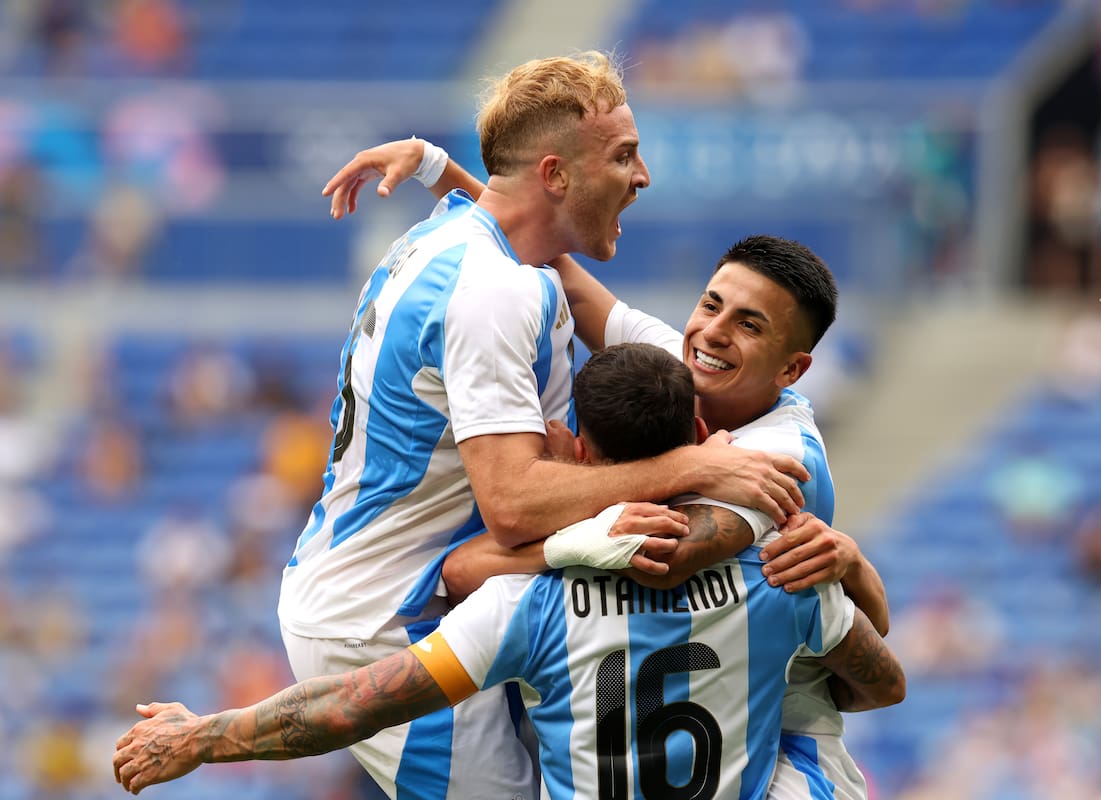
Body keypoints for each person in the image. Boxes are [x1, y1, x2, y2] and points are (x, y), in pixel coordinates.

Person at [280, 51, 816, 800]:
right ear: (557, 175)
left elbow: (523, 227)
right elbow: (513, 504)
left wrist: (438, 168)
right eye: (623, 155)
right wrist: (693, 467)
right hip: (390, 618)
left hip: (412, 591)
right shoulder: (496, 292)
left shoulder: (456, 241)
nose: (642, 176)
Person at [114, 343, 905, 799]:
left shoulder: (527, 604)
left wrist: (205, 737)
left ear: (579, 452)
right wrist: (849, 574)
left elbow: (350, 706)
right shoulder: (778, 578)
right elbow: (882, 685)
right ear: (701, 435)